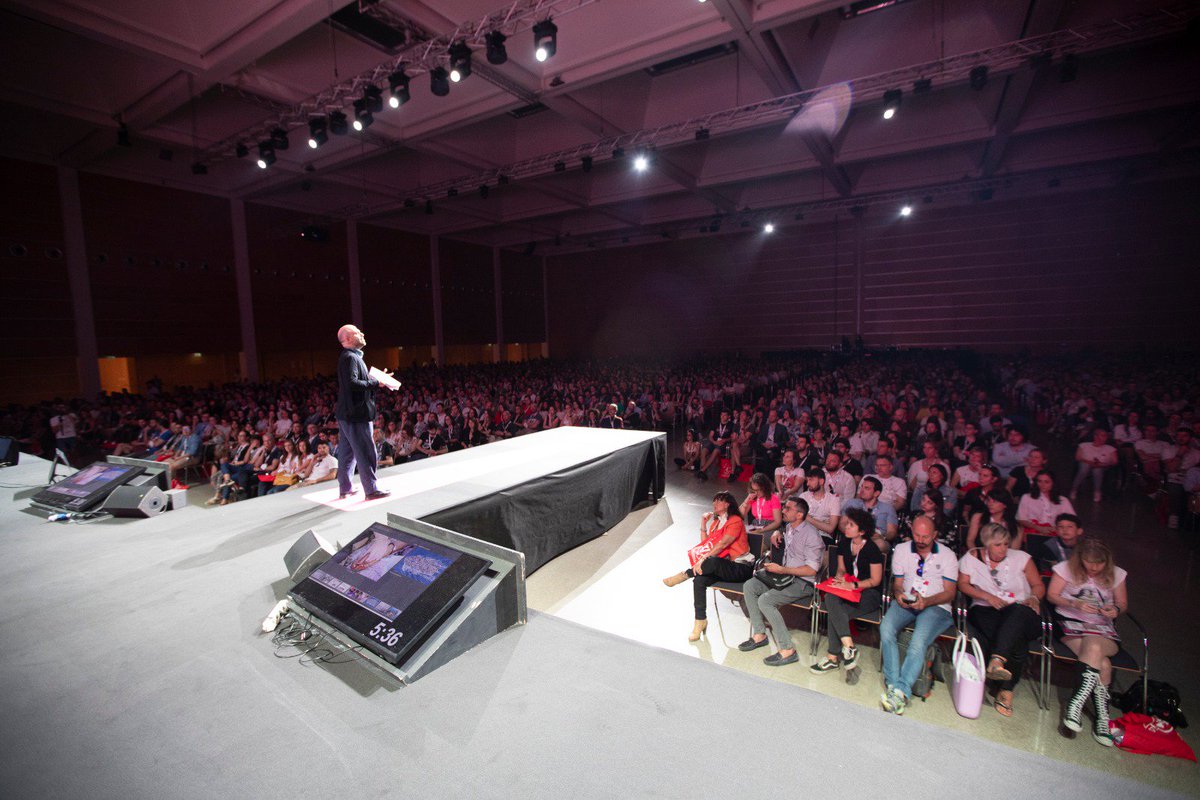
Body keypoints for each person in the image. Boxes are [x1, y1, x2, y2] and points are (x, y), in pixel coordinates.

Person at [957, 523, 1045, 717]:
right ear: (986, 544)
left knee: (1017, 617)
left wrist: (1034, 597)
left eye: (1006, 544)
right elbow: (963, 584)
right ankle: (1006, 690)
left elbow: (1038, 585)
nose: (1003, 549)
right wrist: (987, 596)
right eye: (997, 545)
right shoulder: (972, 557)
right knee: (1015, 639)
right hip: (986, 608)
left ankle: (997, 660)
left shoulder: (1022, 558)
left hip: (1021, 609)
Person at [1047, 538, 1129, 746]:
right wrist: (1074, 603)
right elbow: (1052, 595)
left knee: (1094, 645)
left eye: (1099, 563)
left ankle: (1075, 703)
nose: (1094, 568)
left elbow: (1122, 603)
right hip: (1070, 623)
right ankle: (1102, 717)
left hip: (1102, 627)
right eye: (1089, 562)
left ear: (1107, 561)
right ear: (1080, 558)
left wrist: (1115, 609)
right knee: (1103, 664)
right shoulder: (1065, 569)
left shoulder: (1117, 574)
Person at [879, 515, 958, 715]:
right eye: (917, 535)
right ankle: (893, 685)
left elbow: (950, 592)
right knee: (886, 628)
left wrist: (927, 601)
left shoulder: (947, 555)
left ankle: (901, 690)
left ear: (935, 535)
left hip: (936, 606)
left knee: (918, 640)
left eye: (925, 536)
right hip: (908, 601)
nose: (921, 540)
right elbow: (898, 584)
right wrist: (899, 595)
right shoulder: (902, 550)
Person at [738, 496, 825, 665]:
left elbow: (812, 570)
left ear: (799, 515)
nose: (783, 511)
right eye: (784, 507)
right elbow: (784, 534)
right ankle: (760, 634)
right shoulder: (790, 527)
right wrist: (778, 532)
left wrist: (782, 570)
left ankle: (788, 650)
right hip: (785, 576)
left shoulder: (812, 536)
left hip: (803, 582)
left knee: (766, 601)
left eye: (788, 509)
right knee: (750, 586)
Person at [662, 491, 753, 642]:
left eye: (718, 501)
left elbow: (723, 544)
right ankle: (700, 621)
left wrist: (703, 560)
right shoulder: (717, 523)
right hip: (722, 566)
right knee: (699, 580)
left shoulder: (735, 521)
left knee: (712, 561)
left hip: (741, 567)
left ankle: (685, 574)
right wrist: (703, 524)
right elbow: (706, 545)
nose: (714, 504)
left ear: (727, 504)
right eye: (714, 501)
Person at [810, 507, 884, 683]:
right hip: (849, 587)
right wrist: (839, 579)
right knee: (830, 597)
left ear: (862, 531)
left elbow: (875, 580)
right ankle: (849, 647)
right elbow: (842, 569)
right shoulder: (844, 543)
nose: (846, 527)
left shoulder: (872, 549)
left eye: (851, 525)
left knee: (836, 613)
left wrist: (853, 585)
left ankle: (832, 657)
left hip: (869, 592)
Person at [335, 324, 396, 501]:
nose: (362, 333)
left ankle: (345, 488)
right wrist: (376, 383)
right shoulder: (350, 357)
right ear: (347, 338)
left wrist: (375, 378)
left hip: (348, 413)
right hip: (356, 414)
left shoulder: (350, 357)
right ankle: (371, 489)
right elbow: (352, 384)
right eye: (357, 332)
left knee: (347, 453)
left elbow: (353, 381)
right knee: (365, 451)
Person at [843, 475, 898, 552]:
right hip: (854, 537)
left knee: (880, 545)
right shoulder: (852, 503)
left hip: (876, 539)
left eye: (867, 488)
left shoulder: (888, 508)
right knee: (847, 543)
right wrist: (854, 533)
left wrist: (882, 537)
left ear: (876, 493)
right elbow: (842, 523)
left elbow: (892, 532)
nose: (862, 490)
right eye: (862, 487)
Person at [1016, 469, 1075, 538]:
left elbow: (1072, 519)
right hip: (1032, 532)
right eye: (1039, 481)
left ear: (1053, 483)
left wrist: (1057, 527)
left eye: (1046, 482)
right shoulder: (1027, 497)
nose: (1042, 485)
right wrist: (1038, 528)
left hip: (1055, 533)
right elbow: (1020, 519)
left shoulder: (1063, 500)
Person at [1070, 427, 1118, 503]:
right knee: (1084, 468)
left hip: (1103, 466)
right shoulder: (1084, 445)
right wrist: (1089, 462)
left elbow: (1115, 461)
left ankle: (1097, 491)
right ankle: (1074, 489)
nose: (1105, 437)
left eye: (1106, 436)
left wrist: (1102, 464)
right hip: (1086, 463)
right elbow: (1078, 457)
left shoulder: (1110, 448)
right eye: (1103, 435)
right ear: (1095, 436)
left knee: (1097, 470)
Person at [799, 467, 841, 544]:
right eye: (807, 480)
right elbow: (796, 519)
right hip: (803, 533)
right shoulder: (803, 496)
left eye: (811, 480)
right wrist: (822, 524)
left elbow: (830, 528)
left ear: (821, 481)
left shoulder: (833, 500)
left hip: (823, 537)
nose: (807, 484)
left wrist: (808, 518)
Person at [740, 473, 783, 537]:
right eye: (754, 490)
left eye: (759, 490)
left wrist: (761, 531)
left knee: (758, 540)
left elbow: (778, 522)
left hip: (770, 527)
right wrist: (746, 501)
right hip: (756, 525)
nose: (756, 493)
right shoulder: (753, 497)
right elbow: (740, 516)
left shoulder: (774, 498)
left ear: (765, 488)